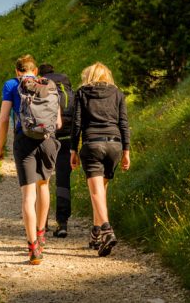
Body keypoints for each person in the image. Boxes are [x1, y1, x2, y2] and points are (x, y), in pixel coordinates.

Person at [0, 55, 61, 265]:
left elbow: (4, 118)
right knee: (44, 187)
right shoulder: (48, 84)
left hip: (24, 140)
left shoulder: (11, 85)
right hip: (48, 140)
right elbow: (58, 122)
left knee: (27, 195)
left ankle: (33, 247)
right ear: (35, 70)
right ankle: (41, 234)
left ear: (18, 71)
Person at [70, 62, 131, 257]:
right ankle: (96, 233)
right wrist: (126, 151)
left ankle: (106, 230)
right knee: (101, 191)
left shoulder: (82, 93)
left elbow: (77, 123)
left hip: (93, 144)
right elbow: (124, 123)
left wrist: (73, 149)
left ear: (88, 76)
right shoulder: (117, 93)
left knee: (95, 191)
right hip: (114, 144)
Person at [39, 63, 75, 238]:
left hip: (47, 137)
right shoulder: (66, 85)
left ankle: (42, 223)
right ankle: (62, 223)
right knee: (63, 181)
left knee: (42, 179)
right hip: (66, 137)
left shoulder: (40, 84)